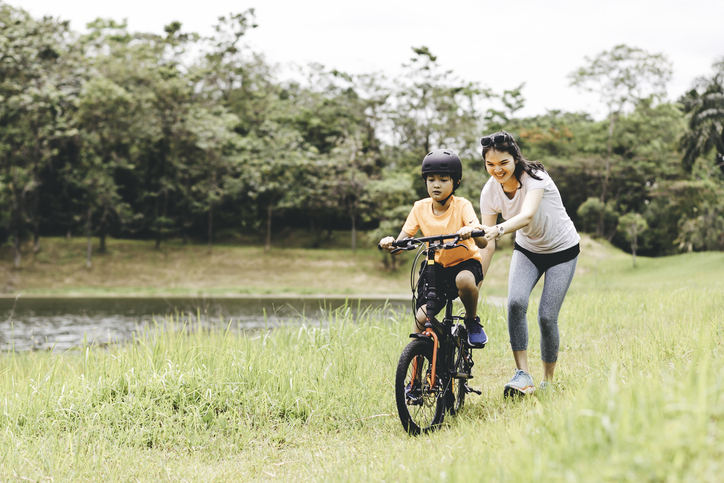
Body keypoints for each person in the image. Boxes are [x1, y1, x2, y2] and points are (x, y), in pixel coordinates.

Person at [477, 131, 580, 396]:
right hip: (528, 250)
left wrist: (497, 230)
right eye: (490, 164)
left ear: (515, 159)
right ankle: (522, 375)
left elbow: (526, 216)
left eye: (503, 163)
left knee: (547, 316)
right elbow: (487, 240)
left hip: (562, 250)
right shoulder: (489, 191)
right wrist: (477, 280)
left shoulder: (536, 179)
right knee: (515, 303)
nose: (497, 170)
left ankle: (548, 380)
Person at [379, 149, 489, 348]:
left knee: (463, 280)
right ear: (425, 182)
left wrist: (471, 231)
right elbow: (400, 245)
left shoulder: (462, 205)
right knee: (421, 321)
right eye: (431, 180)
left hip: (465, 263)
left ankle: (472, 320)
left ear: (455, 182)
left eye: (443, 179)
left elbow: (483, 242)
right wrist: (390, 243)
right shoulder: (419, 207)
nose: (436, 184)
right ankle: (414, 375)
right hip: (435, 267)